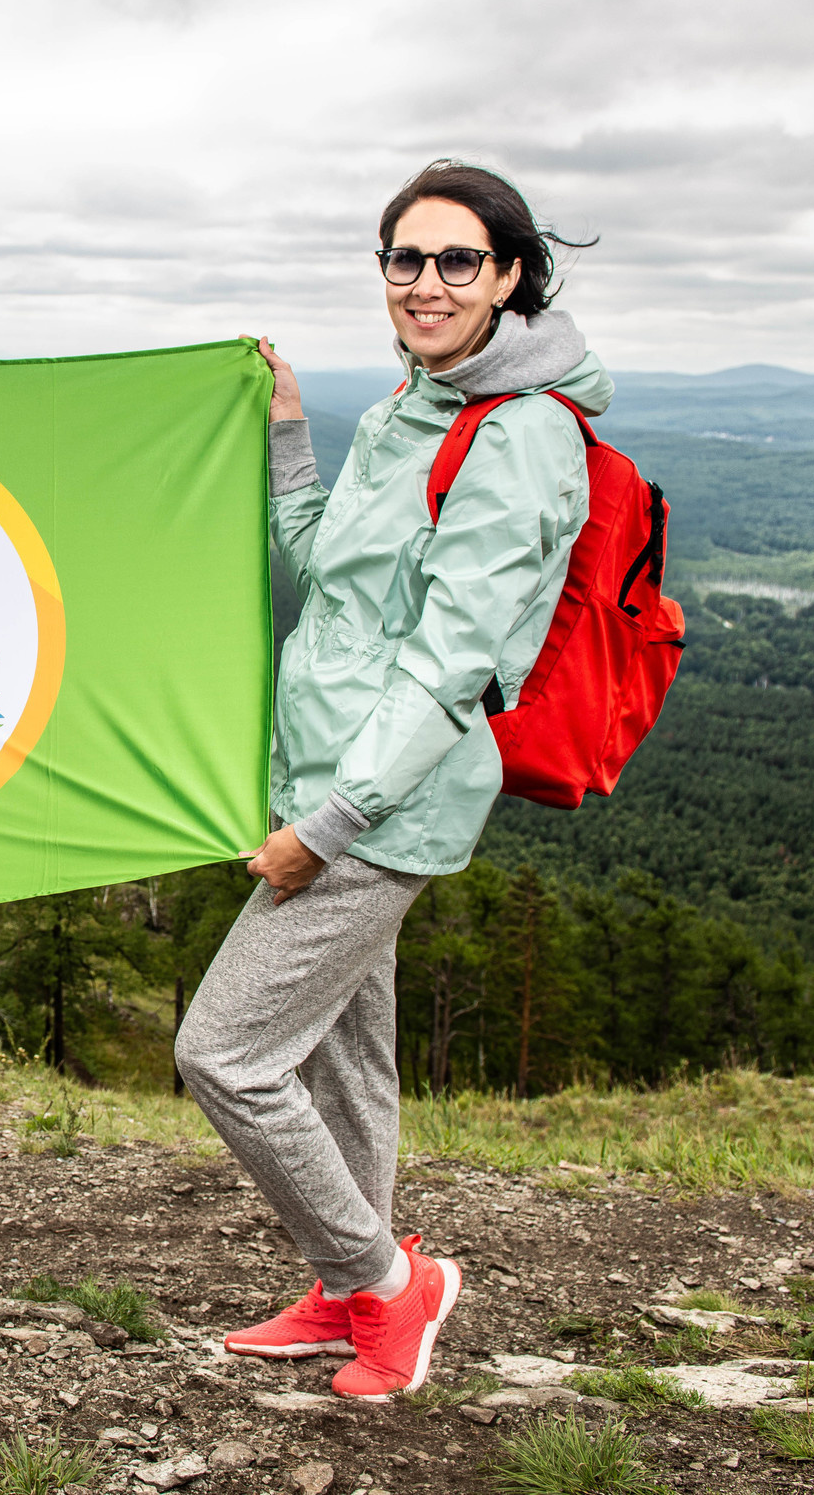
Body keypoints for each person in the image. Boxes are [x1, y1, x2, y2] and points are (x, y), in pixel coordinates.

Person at [175, 160, 605, 1401]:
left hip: (379, 804)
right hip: (324, 772)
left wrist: (330, 821)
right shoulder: (404, 412)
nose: (425, 282)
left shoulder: (519, 437)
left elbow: (452, 661)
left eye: (456, 260)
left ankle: (385, 1281)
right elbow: (324, 571)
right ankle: (347, 1287)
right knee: (338, 1060)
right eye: (404, 259)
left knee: (227, 1053)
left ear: (509, 276)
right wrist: (287, 427)